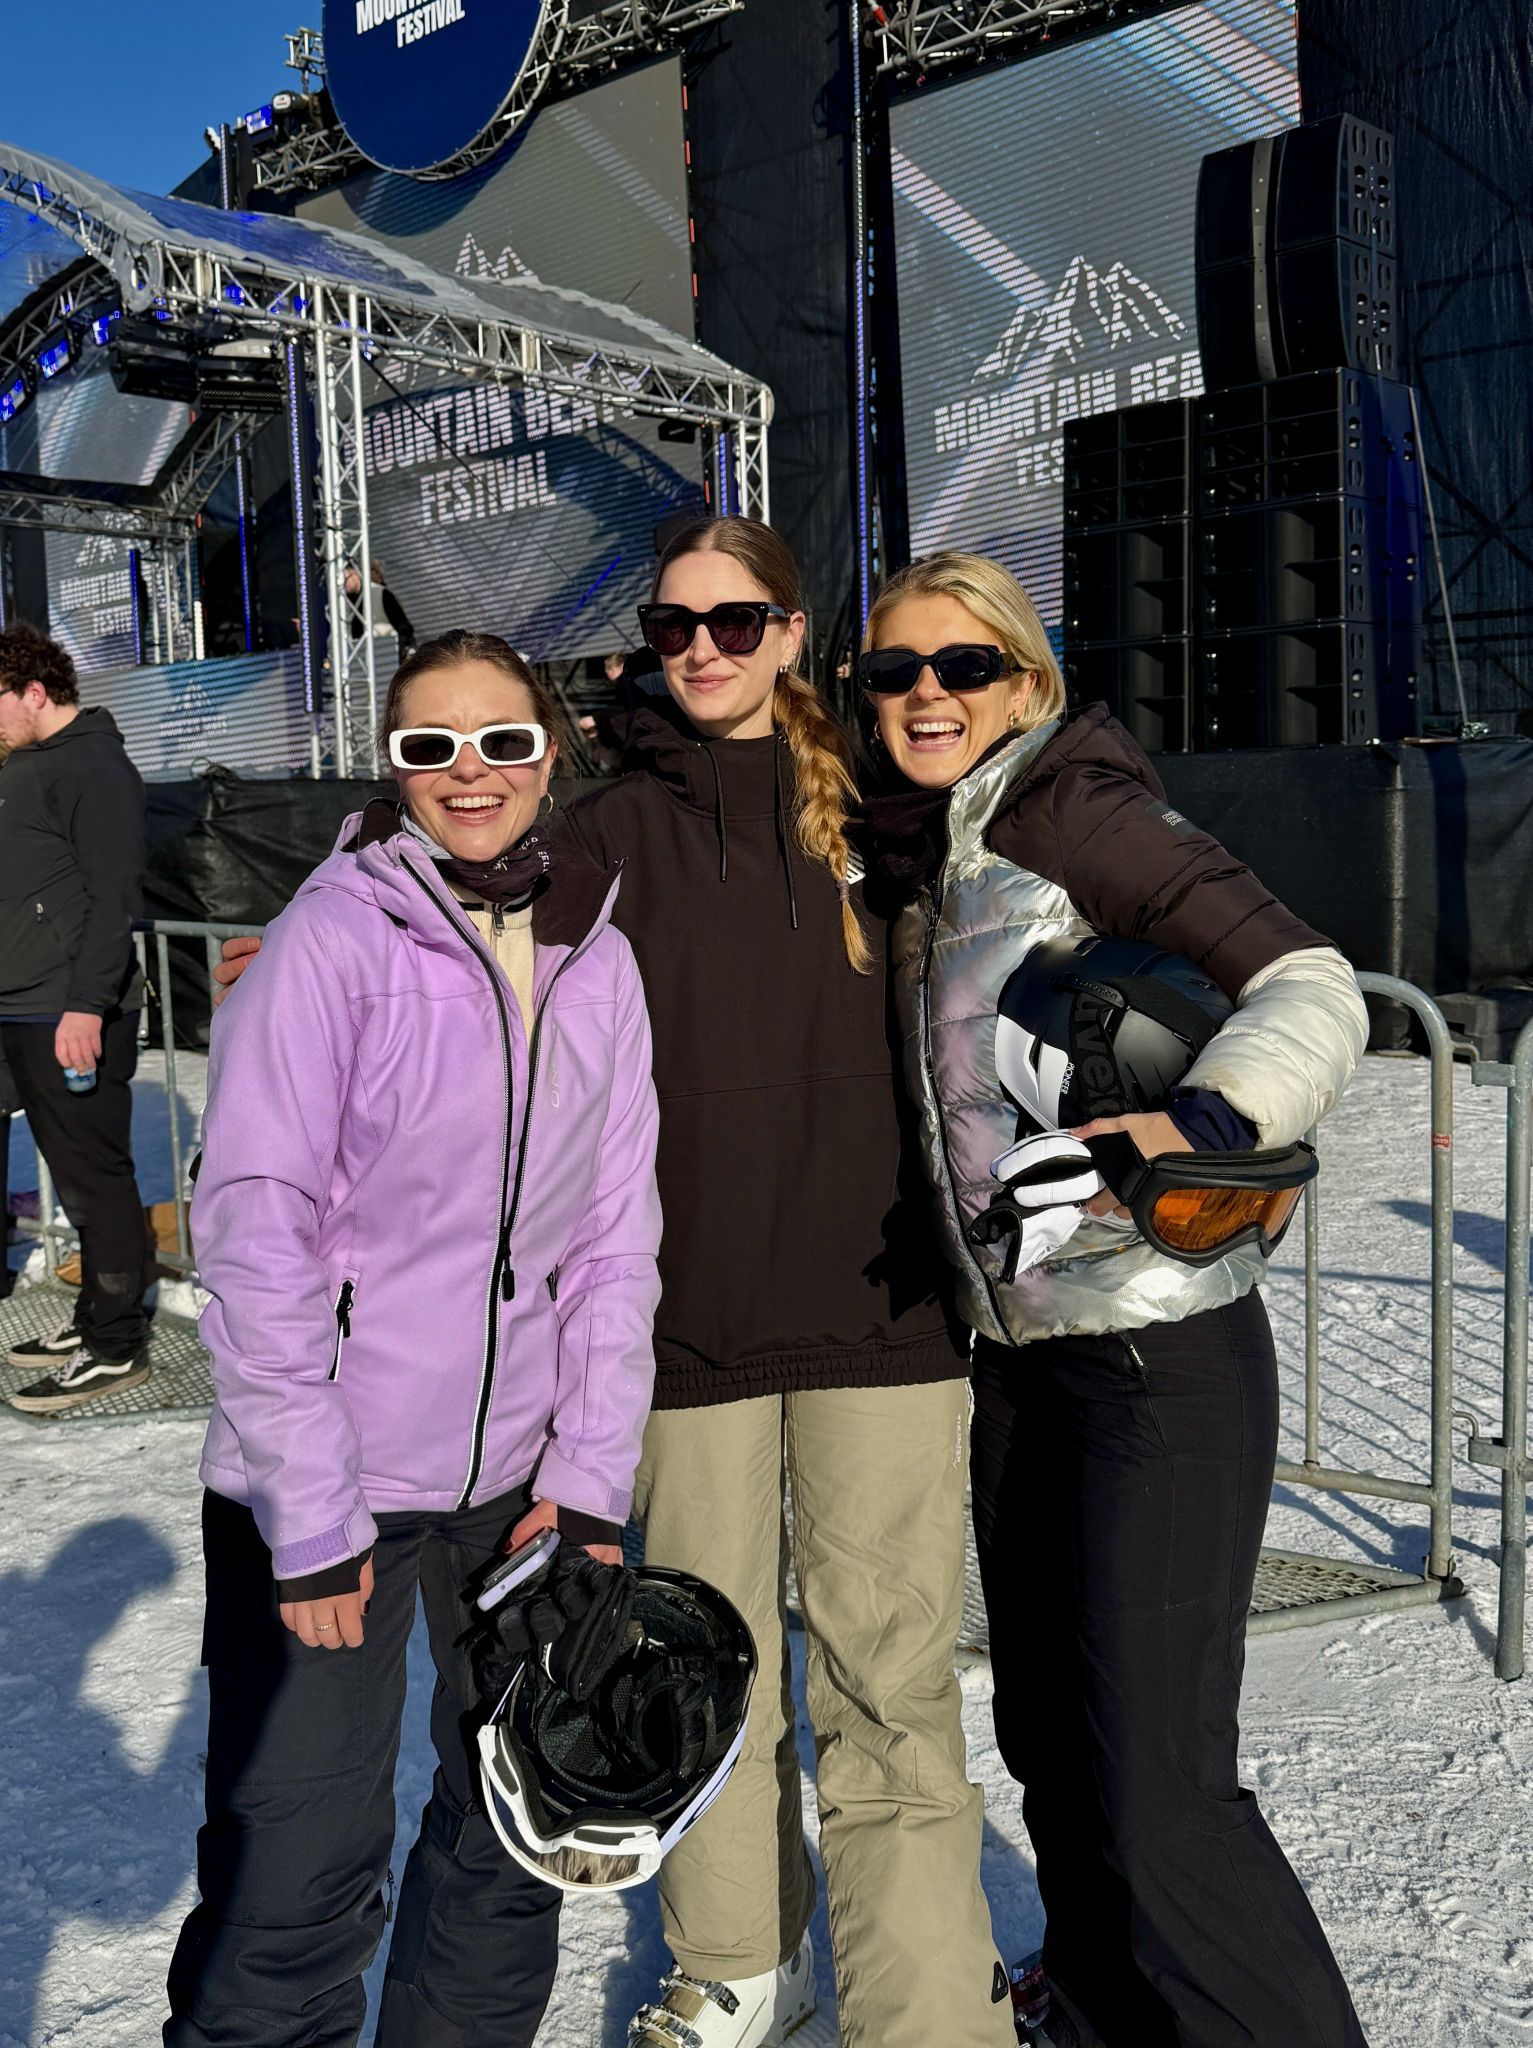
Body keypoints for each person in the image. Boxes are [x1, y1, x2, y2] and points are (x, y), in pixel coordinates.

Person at [216, 519, 1017, 2048]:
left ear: (795, 634)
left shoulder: (886, 808)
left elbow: (1040, 843)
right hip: (684, 1341)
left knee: (891, 1693)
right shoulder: (605, 832)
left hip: (882, 1322)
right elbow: (444, 854)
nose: (702, 652)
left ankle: (929, 2021)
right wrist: (308, 924)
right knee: (699, 1681)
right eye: (673, 627)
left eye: (737, 624)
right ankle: (733, 1963)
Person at [857, 550, 1371, 2048]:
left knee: (1157, 1788)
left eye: (965, 668)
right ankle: (1091, 2007)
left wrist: (1203, 1126)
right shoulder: (919, 850)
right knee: (1054, 1742)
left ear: (1028, 680)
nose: (927, 697)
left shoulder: (1067, 809)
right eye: (894, 673)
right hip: (1024, 1359)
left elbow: (1311, 982)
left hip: (1160, 1351)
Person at [164, 630, 662, 2048]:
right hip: (336, 1490)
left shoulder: (597, 960)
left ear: (549, 750)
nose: (467, 774)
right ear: (392, 764)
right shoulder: (331, 939)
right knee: (297, 1875)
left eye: (499, 741)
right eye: (428, 746)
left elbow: (616, 1241)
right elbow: (255, 1233)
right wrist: (315, 1519)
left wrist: (594, 1476)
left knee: (510, 1844)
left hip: (517, 1496)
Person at [0, 623, 152, 1410]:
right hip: (20, 1003)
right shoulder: (28, 763)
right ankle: (93, 1316)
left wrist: (85, 1005)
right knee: (72, 1176)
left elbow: (112, 897)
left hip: (66, 1010)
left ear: (34, 691)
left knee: (96, 1183)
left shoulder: (94, 767)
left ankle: (116, 1343)